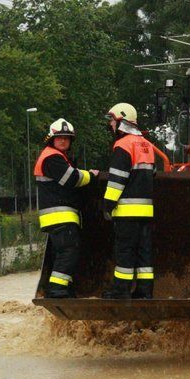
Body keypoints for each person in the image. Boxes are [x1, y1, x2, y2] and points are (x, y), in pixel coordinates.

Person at [34, 118, 98, 299]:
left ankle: (64, 289)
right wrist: (91, 175)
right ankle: (57, 290)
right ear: (51, 139)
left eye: (67, 138)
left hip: (59, 216)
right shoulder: (52, 158)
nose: (63, 140)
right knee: (69, 250)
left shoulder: (57, 157)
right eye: (59, 137)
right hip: (60, 215)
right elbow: (72, 179)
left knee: (65, 252)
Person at [101, 102, 156, 300]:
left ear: (121, 121)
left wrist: (107, 204)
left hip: (126, 212)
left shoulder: (123, 145)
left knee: (125, 252)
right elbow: (151, 174)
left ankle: (121, 290)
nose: (111, 125)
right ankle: (144, 292)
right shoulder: (146, 145)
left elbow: (117, 179)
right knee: (144, 253)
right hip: (146, 212)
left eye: (112, 121)